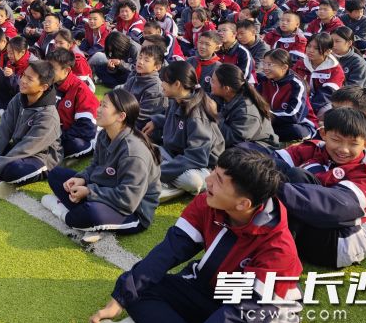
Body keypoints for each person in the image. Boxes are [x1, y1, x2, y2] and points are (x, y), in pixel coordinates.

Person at [89, 147, 302, 323]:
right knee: (138, 293)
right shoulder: (206, 203)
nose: (208, 180)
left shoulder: (279, 248)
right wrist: (120, 300)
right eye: (214, 171)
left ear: (243, 204)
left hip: (263, 315)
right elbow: (170, 250)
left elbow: (245, 313)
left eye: (218, 180)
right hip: (211, 291)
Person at [271, 107, 366, 268]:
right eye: (336, 140)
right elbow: (272, 161)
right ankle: (273, 245)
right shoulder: (315, 148)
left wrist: (277, 188)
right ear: (324, 134)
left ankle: (278, 255)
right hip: (312, 228)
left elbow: (338, 208)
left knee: (297, 177)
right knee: (269, 173)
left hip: (339, 243)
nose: (343, 149)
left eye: (353, 144)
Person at [43, 88, 161, 235]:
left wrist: (88, 191)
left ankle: (65, 213)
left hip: (133, 211)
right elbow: (95, 166)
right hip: (105, 188)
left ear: (121, 116)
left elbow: (128, 199)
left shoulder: (133, 153)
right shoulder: (104, 134)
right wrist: (81, 179)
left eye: (104, 106)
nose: (97, 110)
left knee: (88, 214)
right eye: (100, 104)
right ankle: (86, 216)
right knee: (56, 175)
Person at [0, 60, 62, 199]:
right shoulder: (18, 98)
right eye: (23, 75)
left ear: (43, 86)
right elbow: (3, 130)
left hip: (39, 158)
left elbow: (27, 148)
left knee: (14, 169)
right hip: (16, 150)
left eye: (29, 79)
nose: (22, 80)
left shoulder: (49, 116)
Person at [146, 61, 224, 203]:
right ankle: (165, 181)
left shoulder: (196, 113)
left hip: (201, 167)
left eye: (164, 81)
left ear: (177, 84)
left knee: (193, 182)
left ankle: (167, 187)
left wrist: (160, 173)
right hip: (175, 156)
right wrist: (156, 121)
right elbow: (176, 120)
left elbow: (197, 157)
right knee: (141, 148)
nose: (161, 84)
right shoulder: (178, 99)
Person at [46, 48, 100, 158]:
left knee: (76, 145)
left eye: (52, 69)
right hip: (55, 131)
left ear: (66, 70)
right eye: (47, 68)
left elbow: (86, 128)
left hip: (74, 135)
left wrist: (59, 137)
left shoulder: (81, 90)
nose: (48, 72)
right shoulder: (49, 84)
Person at [211, 63, 277, 148]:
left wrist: (215, 116)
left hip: (259, 147)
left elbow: (231, 139)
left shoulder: (247, 111)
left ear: (226, 88)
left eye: (213, 81)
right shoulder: (220, 97)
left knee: (231, 153)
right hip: (240, 142)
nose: (210, 84)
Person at [256, 48, 317, 141]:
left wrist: (265, 115)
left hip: (298, 124)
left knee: (295, 131)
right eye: (264, 63)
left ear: (284, 67)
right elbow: (254, 101)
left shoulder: (297, 85)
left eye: (269, 64)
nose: (265, 68)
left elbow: (293, 115)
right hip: (272, 121)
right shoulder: (264, 81)